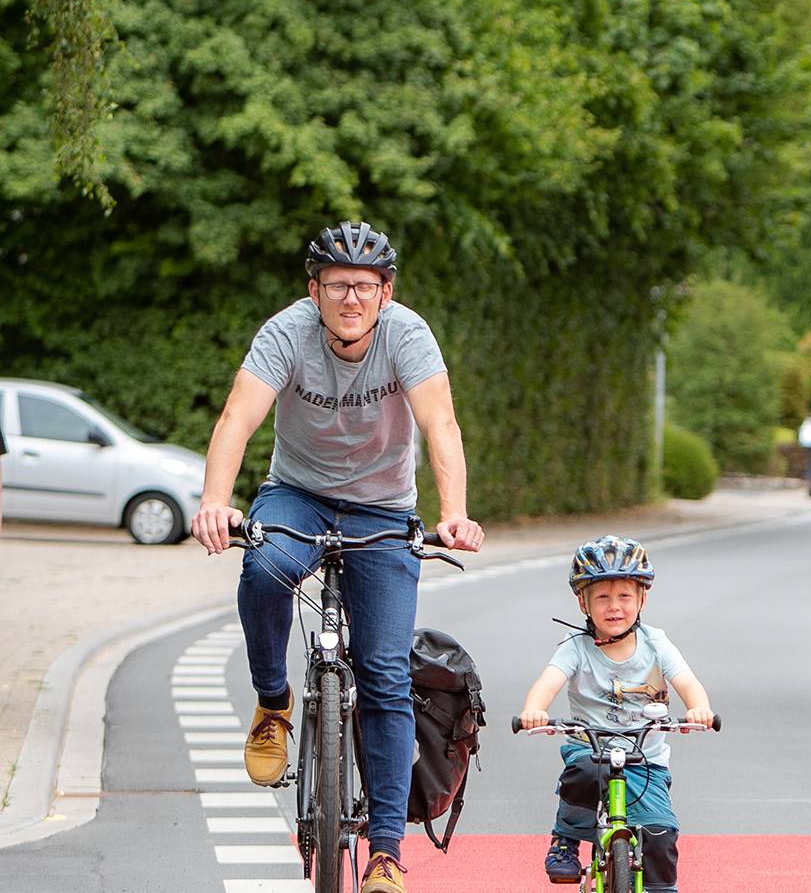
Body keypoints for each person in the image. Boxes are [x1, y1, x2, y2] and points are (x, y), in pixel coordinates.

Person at [192, 221, 485, 893]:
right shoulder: (285, 333)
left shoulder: (407, 335)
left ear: (385, 292)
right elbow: (237, 418)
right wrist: (215, 500)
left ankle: (384, 850)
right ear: (313, 289)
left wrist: (454, 513)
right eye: (335, 285)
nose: (350, 297)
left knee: (384, 673)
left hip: (383, 507)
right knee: (263, 566)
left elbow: (441, 423)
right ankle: (274, 701)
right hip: (297, 494)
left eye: (364, 286)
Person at [517, 536, 714, 892]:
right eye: (602, 597)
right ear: (583, 602)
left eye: (624, 596)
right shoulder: (574, 647)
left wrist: (699, 709)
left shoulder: (656, 643)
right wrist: (535, 710)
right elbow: (548, 682)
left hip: (646, 759)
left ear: (642, 599)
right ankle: (566, 839)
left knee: (661, 835)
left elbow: (688, 682)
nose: (614, 607)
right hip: (590, 748)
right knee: (583, 772)